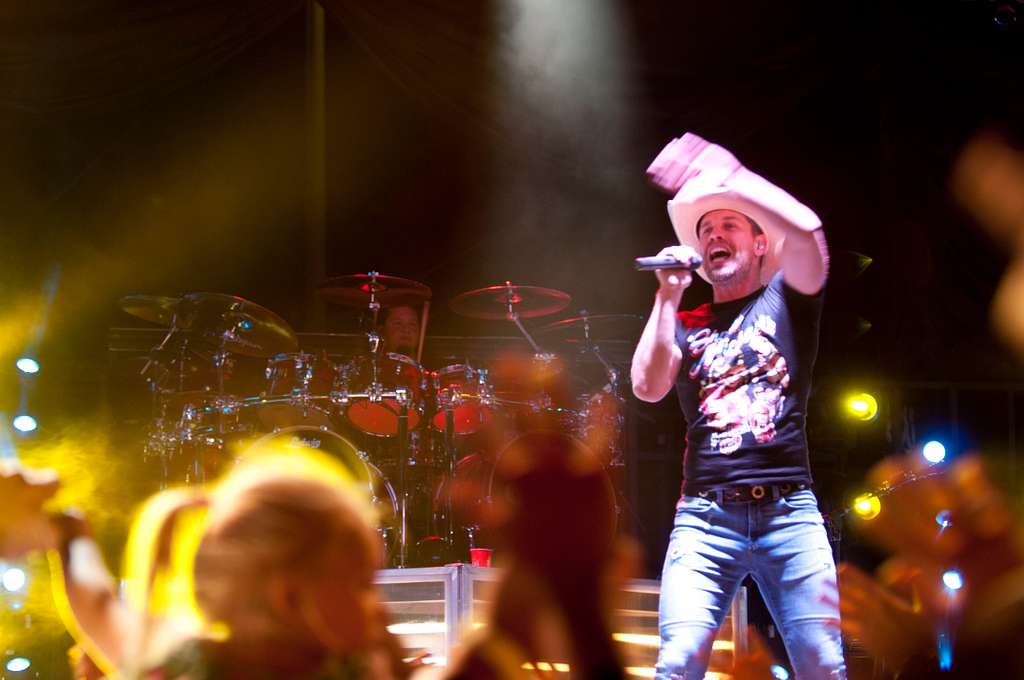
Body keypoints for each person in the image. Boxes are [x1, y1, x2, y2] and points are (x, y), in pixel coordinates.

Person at [631, 133, 843, 679]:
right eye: (706, 231)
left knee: (823, 665)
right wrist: (667, 293)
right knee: (676, 662)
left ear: (758, 245)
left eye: (729, 225)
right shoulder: (685, 321)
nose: (714, 235)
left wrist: (732, 175)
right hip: (706, 518)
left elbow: (808, 232)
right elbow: (647, 386)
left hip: (789, 514)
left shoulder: (788, 300)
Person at [0, 444, 412, 680]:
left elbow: (101, 610)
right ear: (289, 599)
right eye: (363, 585)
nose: (380, 606)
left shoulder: (181, 666)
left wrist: (70, 535)